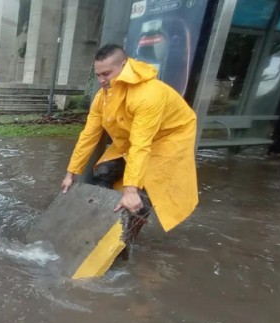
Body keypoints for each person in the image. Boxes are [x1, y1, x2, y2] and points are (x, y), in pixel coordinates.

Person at [60, 44, 198, 249]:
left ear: (123, 65)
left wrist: (131, 189)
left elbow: (141, 145)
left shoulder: (148, 94)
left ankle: (124, 241)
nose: (101, 80)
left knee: (143, 190)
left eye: (106, 73)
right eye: (98, 75)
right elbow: (88, 136)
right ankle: (102, 222)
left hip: (168, 137)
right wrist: (71, 173)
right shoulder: (102, 97)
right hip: (130, 139)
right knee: (104, 171)